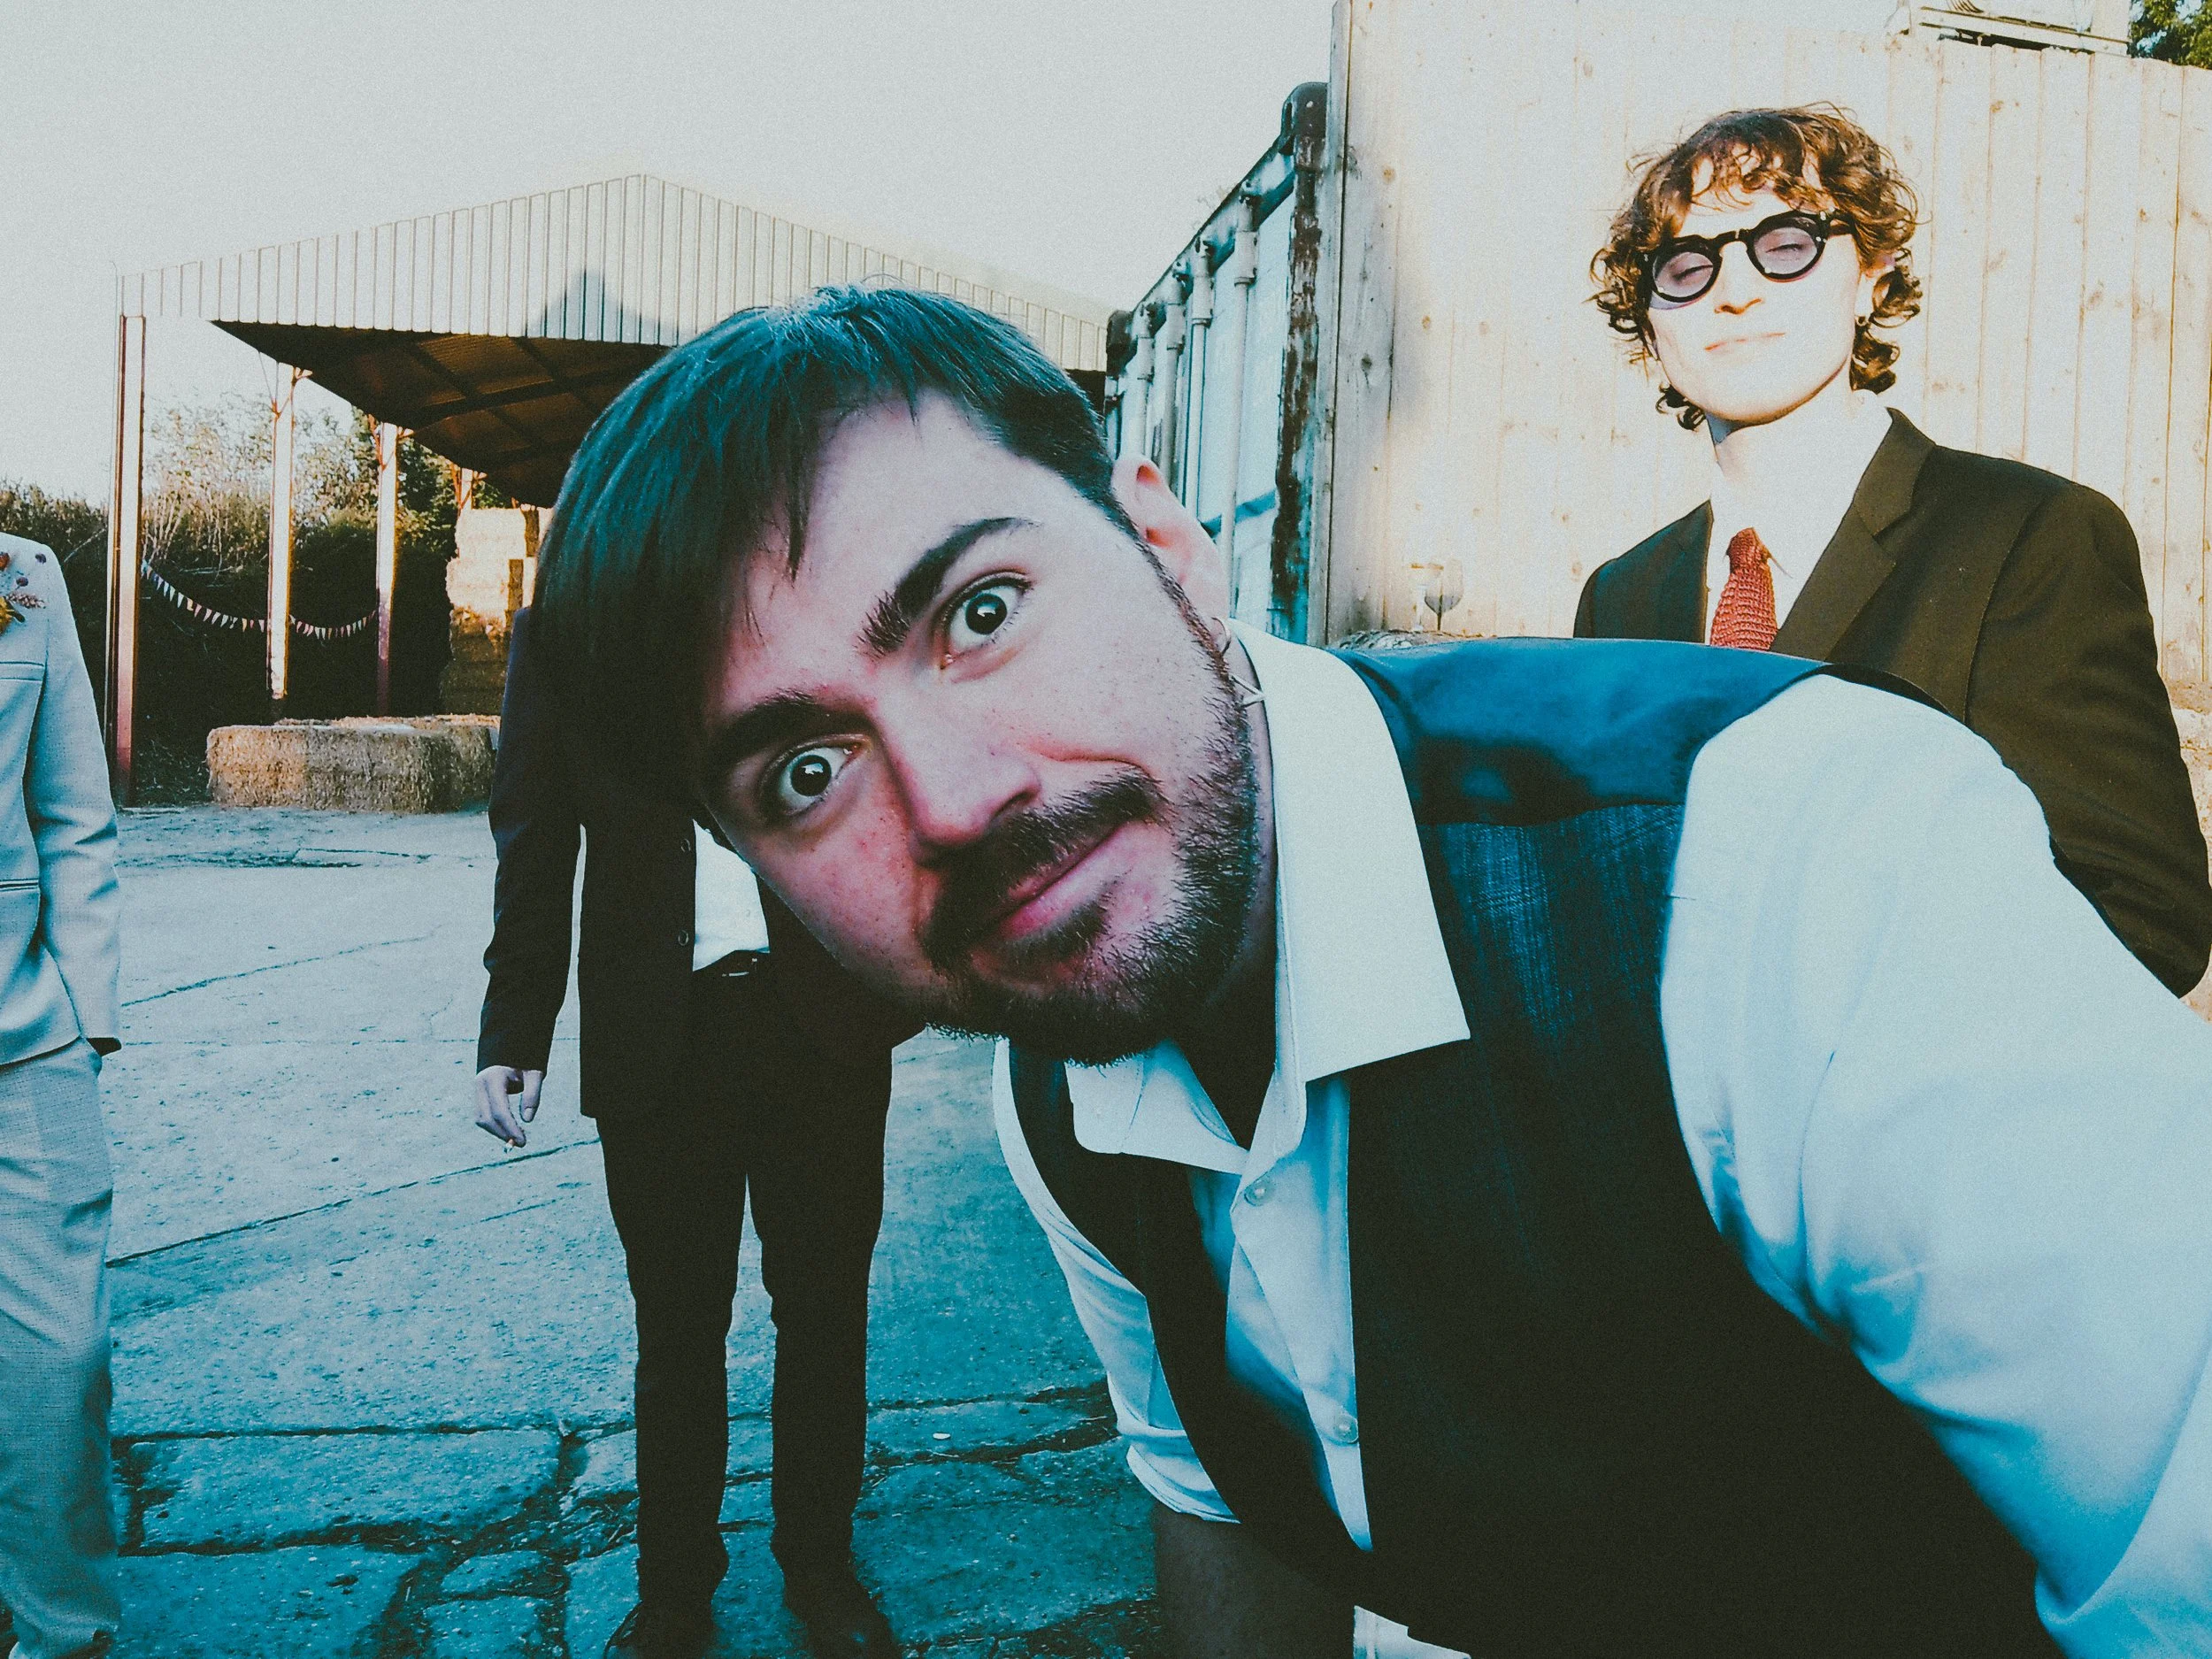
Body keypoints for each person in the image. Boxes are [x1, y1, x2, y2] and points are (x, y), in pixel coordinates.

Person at [525, 287, 2212, 1657]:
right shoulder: (1065, 1082)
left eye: (977, 613)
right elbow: (1216, 1499)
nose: (956, 804)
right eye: (803, 774)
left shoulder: (1789, 863)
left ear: (1168, 550)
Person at [1576, 104, 2212, 996]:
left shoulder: (2025, 538)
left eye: (1785, 244)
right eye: (1687, 264)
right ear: (1649, 322)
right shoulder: (1622, 595)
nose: (1734, 289)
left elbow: (2141, 919)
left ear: (1871, 277)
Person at [472, 606, 918, 1659]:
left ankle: (820, 1568)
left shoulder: (814, 593)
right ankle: (674, 1590)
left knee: (824, 1315)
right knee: (676, 1331)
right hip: (658, 1036)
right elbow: (532, 831)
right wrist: (513, 1030)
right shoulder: (570, 638)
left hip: (822, 1025)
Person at [0, 532, 123, 1659]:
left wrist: (89, 1019)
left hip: (28, 1038)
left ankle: (62, 1629)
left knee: (63, 1352)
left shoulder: (22, 582)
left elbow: (76, 815)